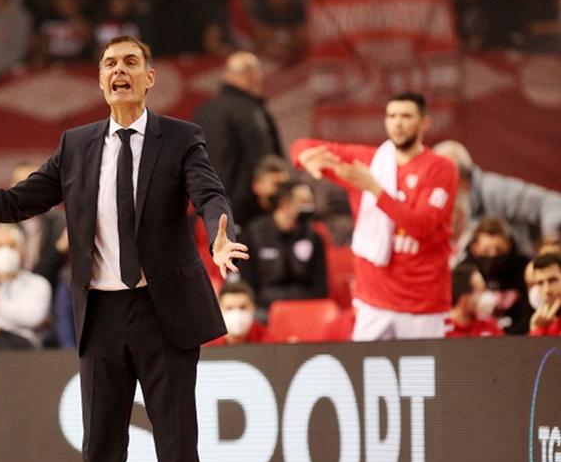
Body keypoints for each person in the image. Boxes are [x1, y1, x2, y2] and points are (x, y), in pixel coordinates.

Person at [0, 35, 246, 462]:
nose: (119, 70)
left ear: (149, 78)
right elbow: (13, 203)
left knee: (177, 452)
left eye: (130, 62)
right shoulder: (76, 146)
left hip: (162, 310)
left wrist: (221, 236)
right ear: (101, 80)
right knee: (100, 457)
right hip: (102, 315)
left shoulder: (180, 138)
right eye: (110, 64)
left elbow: (209, 193)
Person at [291, 92, 458, 341]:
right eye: (391, 116)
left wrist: (374, 188)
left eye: (406, 116)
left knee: (422, 368)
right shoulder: (369, 161)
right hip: (374, 301)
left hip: (423, 303)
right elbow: (302, 145)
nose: (397, 123)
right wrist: (304, 159)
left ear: (425, 123)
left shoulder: (441, 168)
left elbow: (422, 226)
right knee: (366, 367)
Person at [195, 51, 284, 231]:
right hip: (249, 213)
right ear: (253, 76)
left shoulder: (203, 111)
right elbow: (264, 159)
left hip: (209, 208)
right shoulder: (250, 111)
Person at [433, 140, 561, 256]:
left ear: (456, 177)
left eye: (437, 176)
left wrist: (550, 247)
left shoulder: (494, 191)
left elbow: (553, 203)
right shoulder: (448, 204)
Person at [239, 180, 328, 320]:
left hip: (304, 307)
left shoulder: (313, 237)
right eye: (302, 202)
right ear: (284, 204)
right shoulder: (254, 234)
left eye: (309, 202)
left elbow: (320, 287)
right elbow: (247, 282)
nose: (308, 207)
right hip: (265, 309)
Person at [0, 223, 52, 347]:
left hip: (28, 350)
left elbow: (33, 317)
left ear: (22, 251)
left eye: (12, 246)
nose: (5, 252)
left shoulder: (38, 284)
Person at [462, 216, 531, 334]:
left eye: (499, 250)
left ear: (509, 244)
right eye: (485, 251)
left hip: (518, 337)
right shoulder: (464, 271)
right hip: (475, 339)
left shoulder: (525, 268)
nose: (492, 255)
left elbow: (530, 310)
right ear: (474, 247)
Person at [445, 263, 504, 338]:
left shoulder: (491, 326)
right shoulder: (442, 330)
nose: (485, 296)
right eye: (480, 291)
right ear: (463, 298)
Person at [204, 281, 270, 346]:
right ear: (219, 311)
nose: (236, 313)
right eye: (229, 308)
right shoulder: (209, 344)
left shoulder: (268, 342)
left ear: (254, 308)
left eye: (242, 307)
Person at [529, 253, 561, 336]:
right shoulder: (539, 320)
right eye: (540, 283)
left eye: (553, 280)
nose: (547, 290)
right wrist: (538, 329)